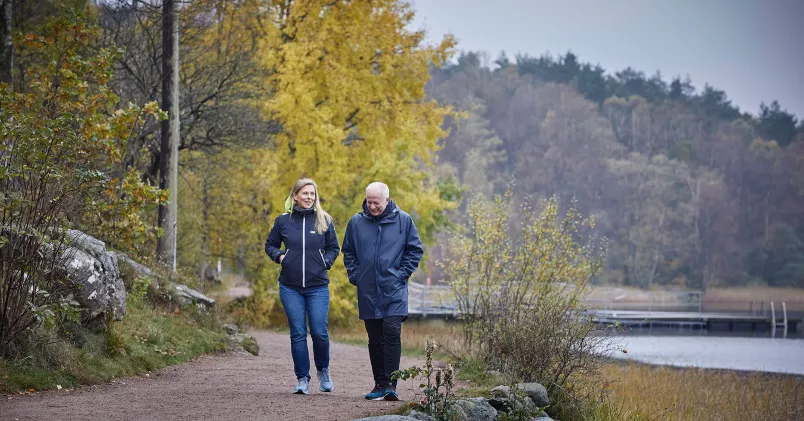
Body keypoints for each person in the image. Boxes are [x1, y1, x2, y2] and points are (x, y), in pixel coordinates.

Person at [341, 182, 424, 401]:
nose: (372, 206)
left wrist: (400, 275)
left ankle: (391, 385)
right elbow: (348, 252)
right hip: (368, 290)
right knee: (375, 337)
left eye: (376, 202)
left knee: (391, 332)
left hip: (393, 289)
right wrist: (355, 276)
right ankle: (379, 383)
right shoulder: (356, 222)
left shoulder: (403, 220)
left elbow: (414, 250)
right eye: (369, 201)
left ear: (386, 200)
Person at [265, 178, 340, 395]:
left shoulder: (324, 220)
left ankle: (323, 370)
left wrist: (325, 262)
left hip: (318, 286)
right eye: (305, 193)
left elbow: (334, 247)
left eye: (312, 194)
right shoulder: (283, 221)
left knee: (319, 332)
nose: (309, 197)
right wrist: (280, 257)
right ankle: (302, 378)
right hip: (290, 286)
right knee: (298, 333)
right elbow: (270, 244)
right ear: (295, 195)